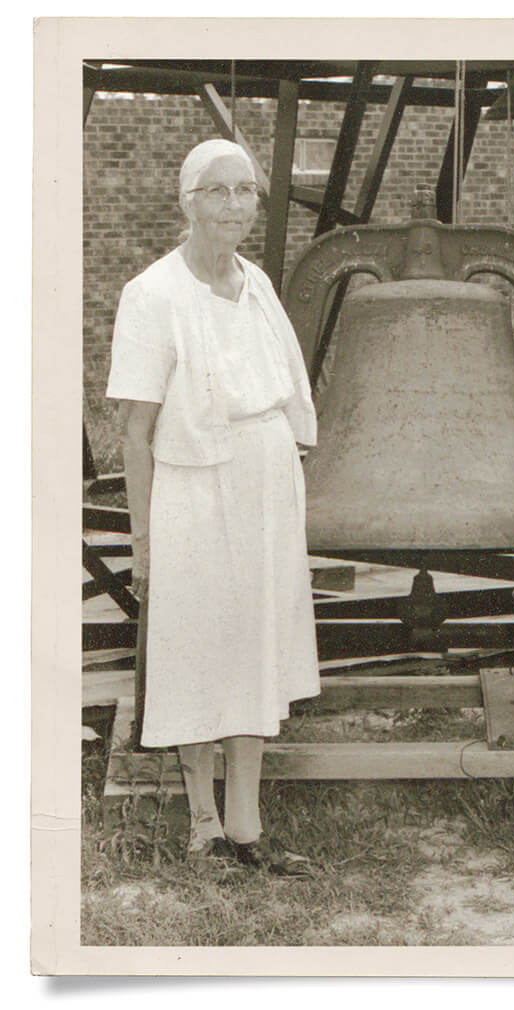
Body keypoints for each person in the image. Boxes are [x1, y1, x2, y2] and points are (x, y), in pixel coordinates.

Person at [107, 138, 320, 878]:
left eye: (245, 191)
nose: (234, 205)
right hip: (194, 492)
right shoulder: (153, 294)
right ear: (187, 201)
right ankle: (204, 826)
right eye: (217, 191)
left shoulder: (255, 284)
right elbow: (135, 434)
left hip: (264, 485)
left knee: (255, 645)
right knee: (198, 648)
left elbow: (287, 391)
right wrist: (143, 543)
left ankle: (247, 826)